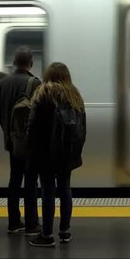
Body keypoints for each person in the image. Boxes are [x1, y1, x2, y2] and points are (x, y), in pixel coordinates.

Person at [27, 62, 86, 247]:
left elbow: (32, 126)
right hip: (67, 152)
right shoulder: (74, 95)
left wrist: (32, 149)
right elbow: (82, 127)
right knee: (65, 188)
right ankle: (65, 231)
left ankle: (46, 234)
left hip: (45, 152)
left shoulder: (42, 92)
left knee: (48, 191)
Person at [0, 47, 42, 235]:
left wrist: (9, 132)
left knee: (14, 180)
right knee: (31, 181)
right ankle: (32, 224)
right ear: (31, 63)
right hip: (30, 144)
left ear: (14, 62)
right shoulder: (35, 83)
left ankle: (13, 222)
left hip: (11, 141)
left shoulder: (2, 83)